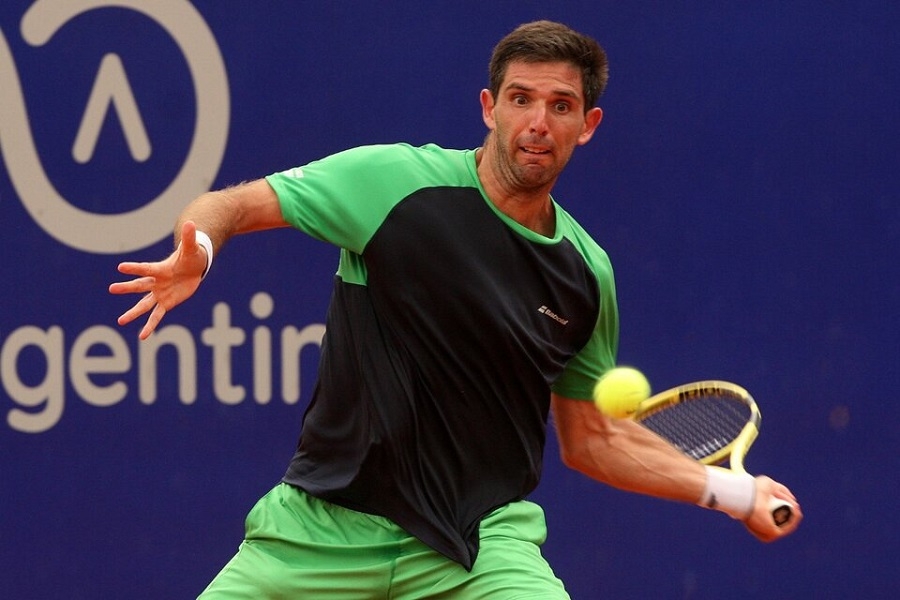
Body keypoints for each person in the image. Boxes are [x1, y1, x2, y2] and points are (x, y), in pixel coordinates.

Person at [110, 20, 801, 599]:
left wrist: (740, 496)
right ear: (489, 107)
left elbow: (593, 440)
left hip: (479, 547)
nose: (538, 123)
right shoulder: (392, 184)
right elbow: (233, 204)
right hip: (318, 531)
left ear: (587, 125)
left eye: (560, 106)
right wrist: (200, 248)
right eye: (521, 99)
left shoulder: (585, 274)